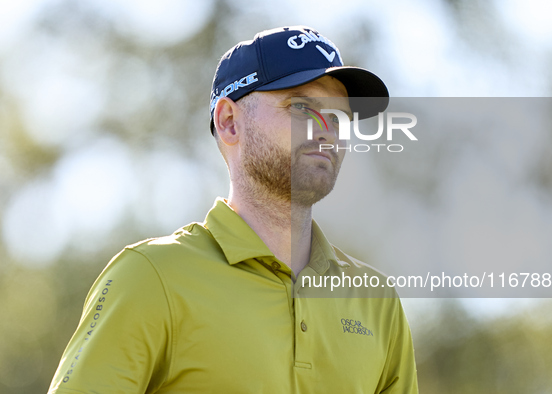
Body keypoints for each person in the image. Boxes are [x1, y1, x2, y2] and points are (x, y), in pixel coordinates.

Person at [48, 26, 418, 393]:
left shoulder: (377, 300)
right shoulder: (150, 278)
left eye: (338, 117)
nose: (326, 131)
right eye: (302, 107)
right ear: (229, 122)